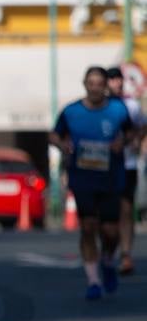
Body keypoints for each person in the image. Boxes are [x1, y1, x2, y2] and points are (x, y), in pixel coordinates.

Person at [51, 66, 133, 300]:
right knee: (87, 226)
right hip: (82, 178)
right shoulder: (71, 111)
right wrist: (62, 145)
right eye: (91, 83)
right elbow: (54, 134)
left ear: (105, 85)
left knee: (110, 230)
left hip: (111, 177)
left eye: (99, 83)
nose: (95, 87)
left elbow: (133, 132)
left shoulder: (118, 109)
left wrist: (123, 142)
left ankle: (107, 260)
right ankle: (93, 280)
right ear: (84, 84)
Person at [106, 67, 143, 274]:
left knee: (126, 209)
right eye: (112, 80)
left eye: (119, 80)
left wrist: (135, 141)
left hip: (127, 164)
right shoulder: (100, 107)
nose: (117, 84)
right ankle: (108, 251)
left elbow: (141, 126)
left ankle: (126, 254)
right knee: (107, 214)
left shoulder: (132, 105)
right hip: (103, 167)